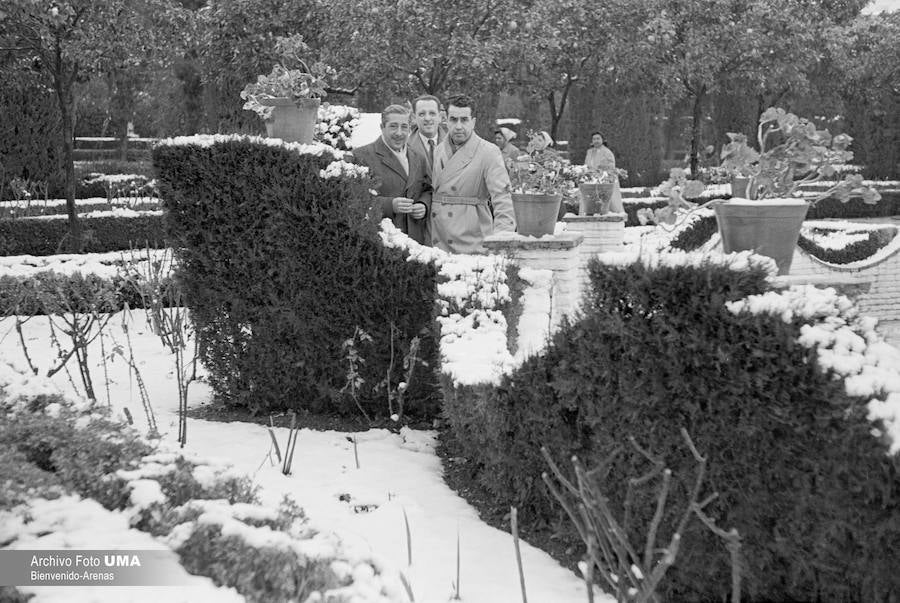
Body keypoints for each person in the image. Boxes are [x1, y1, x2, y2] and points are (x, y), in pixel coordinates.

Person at [430, 94, 516, 254]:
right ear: (446, 120)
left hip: (472, 242)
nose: (458, 126)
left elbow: (503, 199)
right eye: (453, 119)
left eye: (464, 120)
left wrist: (502, 239)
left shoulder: (489, 152)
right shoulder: (438, 150)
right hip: (438, 240)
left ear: (473, 122)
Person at [352, 104, 432, 244]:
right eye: (393, 126)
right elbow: (355, 199)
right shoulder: (360, 156)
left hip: (416, 243)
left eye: (404, 127)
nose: (399, 133)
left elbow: (428, 190)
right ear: (382, 127)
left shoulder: (419, 157)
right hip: (381, 242)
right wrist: (390, 205)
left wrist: (423, 205)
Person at [583, 131, 624, 213]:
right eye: (594, 139)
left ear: (603, 140)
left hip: (605, 182)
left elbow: (611, 167)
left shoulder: (607, 152)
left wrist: (600, 172)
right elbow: (586, 165)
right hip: (591, 181)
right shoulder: (589, 152)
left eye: (598, 138)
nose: (596, 141)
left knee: (609, 205)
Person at [407, 94, 445, 176]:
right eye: (422, 114)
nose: (427, 118)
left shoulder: (454, 144)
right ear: (414, 117)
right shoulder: (405, 148)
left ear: (440, 117)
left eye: (432, 113)